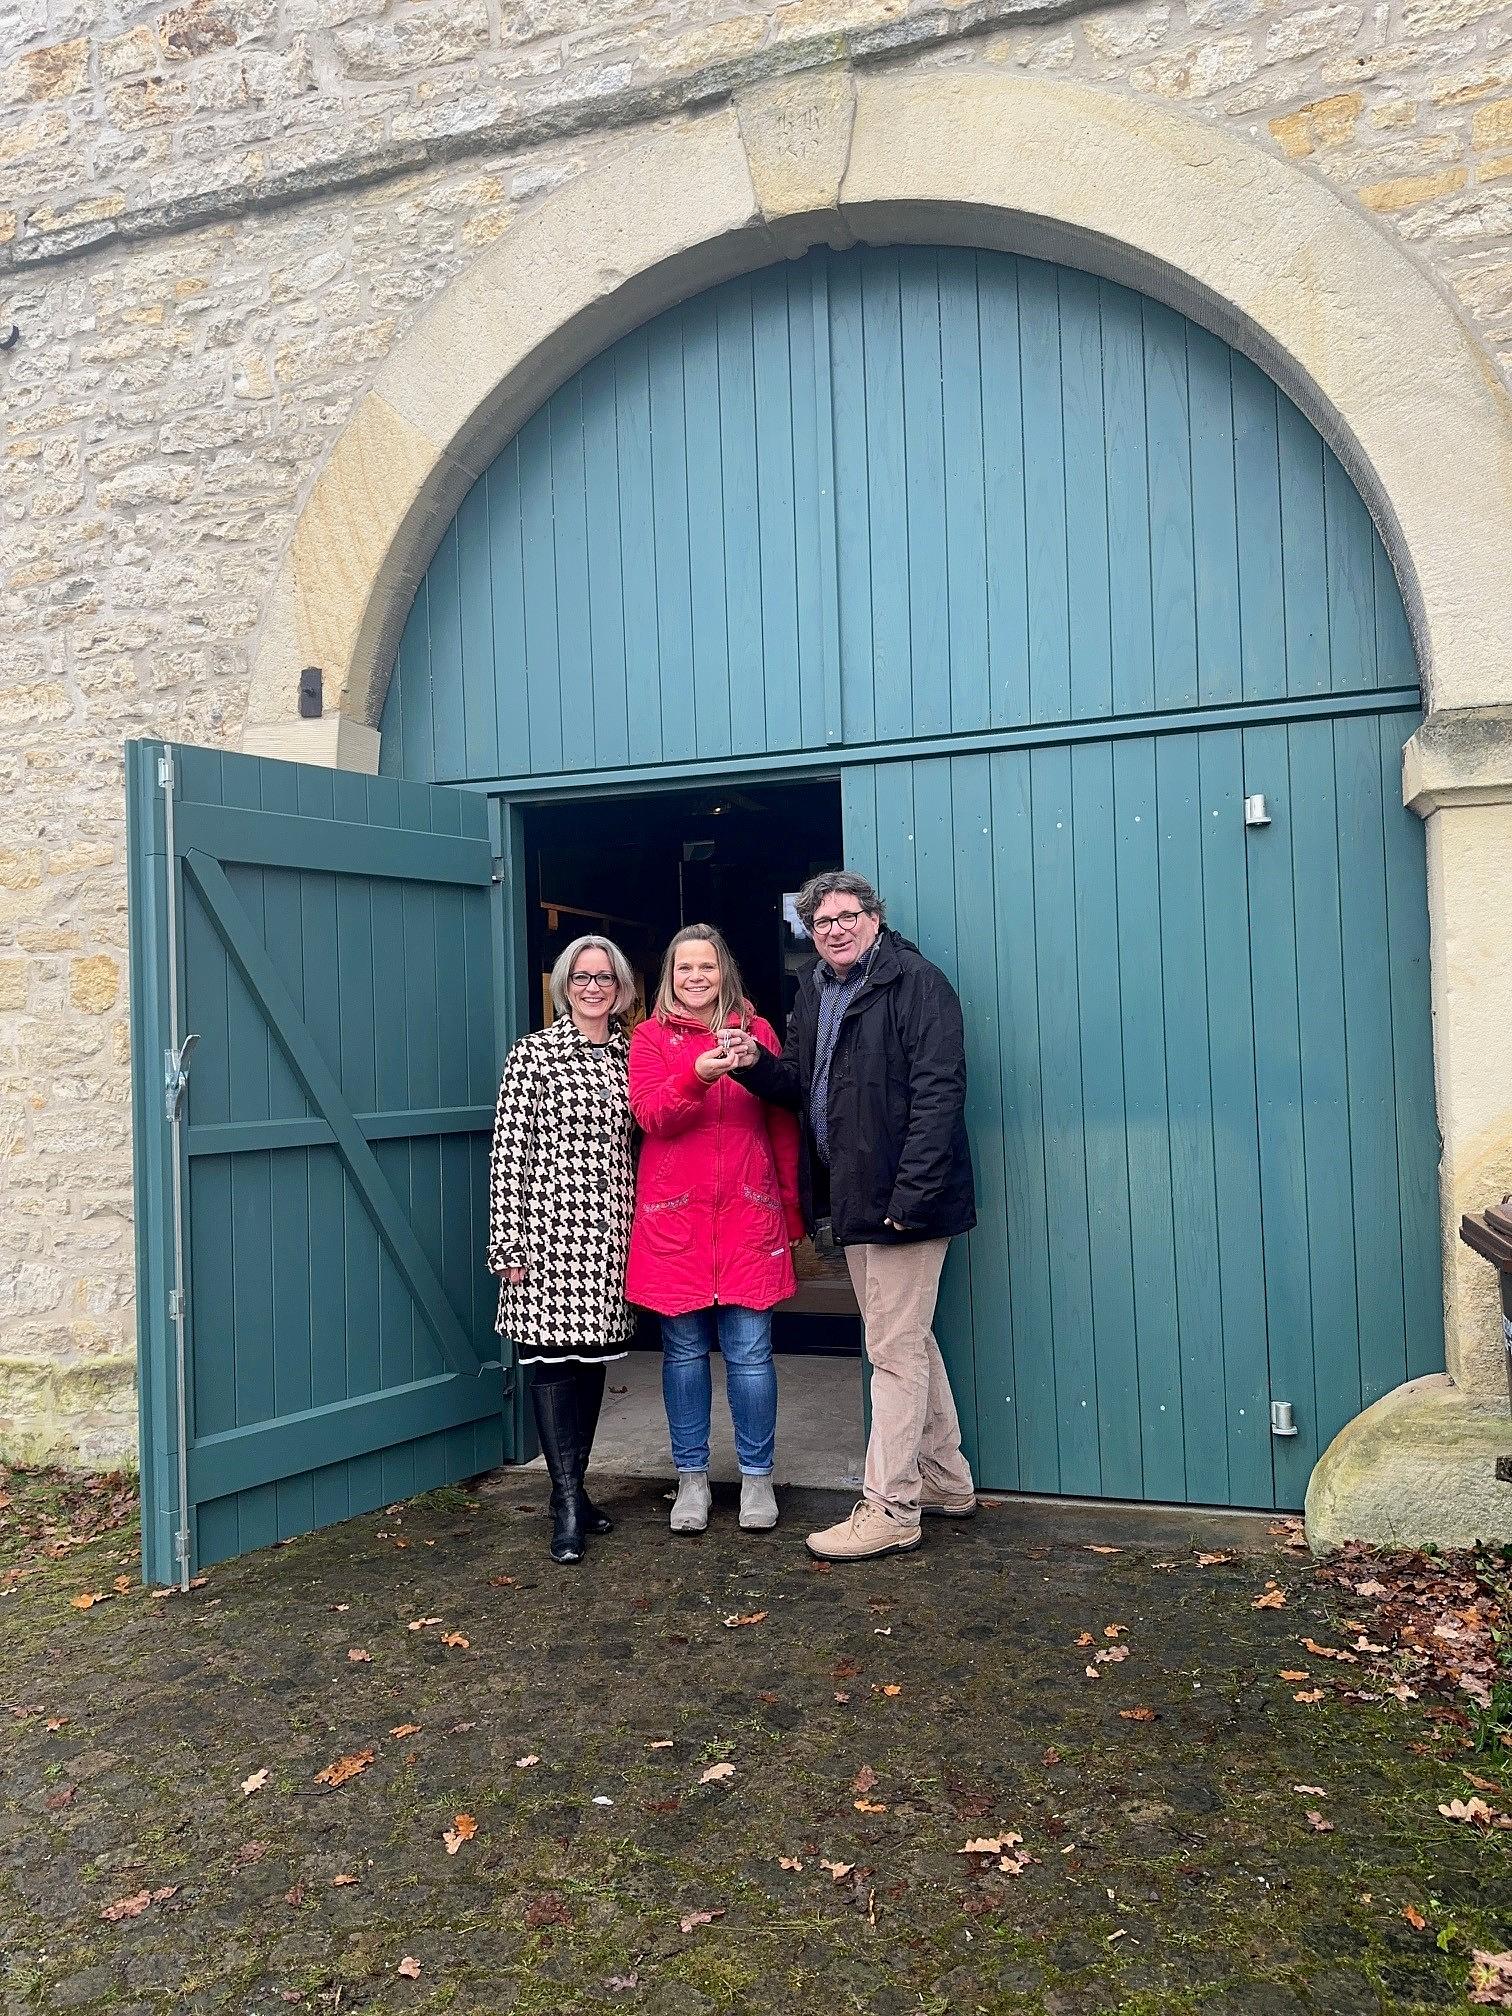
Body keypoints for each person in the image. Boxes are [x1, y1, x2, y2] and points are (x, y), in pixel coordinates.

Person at [727, 871, 977, 1561]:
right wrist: (754, 1063)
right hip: (859, 1196)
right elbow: (802, 1083)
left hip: (905, 1203)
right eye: (821, 921)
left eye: (847, 915)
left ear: (874, 917)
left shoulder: (917, 983)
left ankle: (892, 1507)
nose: (834, 929)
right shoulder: (817, 989)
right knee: (908, 1342)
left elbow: (939, 1093)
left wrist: (912, 1199)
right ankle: (946, 1482)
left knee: (892, 1353)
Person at [627, 924, 803, 1535]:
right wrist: (697, 1074)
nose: (695, 978)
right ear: (669, 976)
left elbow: (783, 1121)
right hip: (675, 1217)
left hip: (748, 1215)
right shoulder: (649, 1039)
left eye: (707, 967)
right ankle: (692, 1480)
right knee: (682, 1354)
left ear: (724, 971)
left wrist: (789, 1205)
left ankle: (757, 1478)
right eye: (684, 968)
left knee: (752, 1354)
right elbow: (653, 1116)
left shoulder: (756, 1034)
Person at [487, 934, 638, 1565]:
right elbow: (509, 1150)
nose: (594, 987)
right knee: (551, 1364)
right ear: (564, 987)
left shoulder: (636, 1056)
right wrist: (508, 1244)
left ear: (621, 987)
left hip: (611, 1233)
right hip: (546, 1233)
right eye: (582, 978)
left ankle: (573, 1488)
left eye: (605, 977)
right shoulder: (534, 1054)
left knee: (591, 1361)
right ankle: (569, 1501)